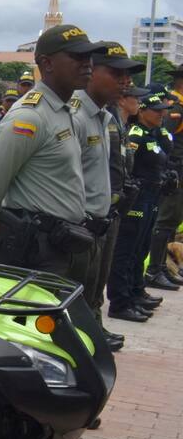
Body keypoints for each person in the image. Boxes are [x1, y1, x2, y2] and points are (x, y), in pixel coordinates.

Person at [0, 23, 102, 282]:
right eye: (76, 56)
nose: (87, 64)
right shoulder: (29, 117)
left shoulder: (61, 109)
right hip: (35, 250)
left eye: (88, 56)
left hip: (62, 243)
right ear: (46, 64)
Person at [73, 42, 139, 346]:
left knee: (98, 277)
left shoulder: (107, 117)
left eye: (127, 75)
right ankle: (85, 332)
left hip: (107, 211)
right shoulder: (74, 114)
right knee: (81, 283)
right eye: (117, 73)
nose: (125, 82)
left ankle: (94, 326)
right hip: (80, 218)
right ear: (90, 71)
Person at [108, 92, 173, 320]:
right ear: (143, 111)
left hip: (152, 195)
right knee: (126, 250)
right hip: (138, 197)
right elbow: (129, 166)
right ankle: (120, 301)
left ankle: (136, 292)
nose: (162, 114)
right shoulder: (136, 134)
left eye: (163, 110)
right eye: (157, 110)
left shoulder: (153, 134)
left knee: (141, 247)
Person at [146, 68, 183, 286]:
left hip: (178, 170)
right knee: (165, 221)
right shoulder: (175, 109)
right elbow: (162, 140)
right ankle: (154, 270)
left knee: (171, 222)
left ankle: (164, 267)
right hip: (174, 170)